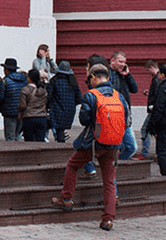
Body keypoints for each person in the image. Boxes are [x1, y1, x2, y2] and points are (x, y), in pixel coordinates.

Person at [50, 64, 129, 232]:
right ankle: (108, 219)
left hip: (93, 143)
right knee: (109, 181)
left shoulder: (91, 95)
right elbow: (127, 121)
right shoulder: (119, 96)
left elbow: (84, 119)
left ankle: (66, 199)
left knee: (72, 165)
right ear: (107, 78)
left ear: (93, 77)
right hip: (113, 144)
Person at [108, 51, 138, 160]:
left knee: (132, 147)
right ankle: (113, 167)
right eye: (120, 61)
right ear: (112, 61)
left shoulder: (124, 75)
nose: (123, 64)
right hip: (112, 115)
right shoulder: (108, 74)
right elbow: (112, 91)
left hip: (125, 115)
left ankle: (117, 164)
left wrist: (127, 75)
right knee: (117, 146)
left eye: (124, 62)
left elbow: (134, 89)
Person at [48, 61, 80, 143]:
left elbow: (49, 95)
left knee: (59, 130)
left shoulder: (54, 81)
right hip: (69, 110)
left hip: (56, 109)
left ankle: (60, 147)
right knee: (61, 130)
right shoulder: (73, 82)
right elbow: (79, 98)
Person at [135, 60, 160, 160]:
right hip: (156, 109)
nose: (148, 72)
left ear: (152, 68)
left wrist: (153, 105)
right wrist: (149, 94)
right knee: (157, 132)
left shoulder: (156, 79)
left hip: (154, 110)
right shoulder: (158, 78)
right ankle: (161, 153)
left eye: (148, 70)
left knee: (145, 129)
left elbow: (159, 95)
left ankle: (144, 152)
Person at [0, 58, 28, 141]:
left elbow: (0, 97)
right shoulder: (24, 80)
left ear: (6, 70)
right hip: (21, 111)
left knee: (10, 137)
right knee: (17, 134)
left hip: (9, 111)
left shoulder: (5, 81)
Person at [18, 68, 49, 142]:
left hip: (29, 117)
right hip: (42, 117)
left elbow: (22, 106)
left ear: (29, 78)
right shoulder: (43, 90)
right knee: (40, 141)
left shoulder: (25, 90)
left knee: (29, 141)